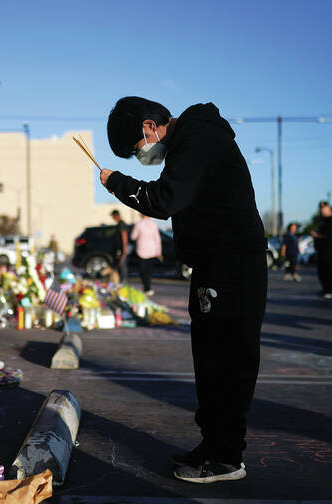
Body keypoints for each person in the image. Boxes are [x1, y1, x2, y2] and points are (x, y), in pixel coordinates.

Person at [102, 97, 266, 483]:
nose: (141, 156)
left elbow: (165, 199)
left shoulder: (198, 138)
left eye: (136, 148)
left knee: (225, 360)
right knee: (210, 358)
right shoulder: (193, 139)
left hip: (231, 264)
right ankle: (214, 445)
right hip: (217, 264)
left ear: (149, 127)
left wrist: (117, 183)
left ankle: (225, 457)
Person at [311, 201, 332, 298]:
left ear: (328, 208)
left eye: (324, 208)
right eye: (321, 209)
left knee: (329, 269)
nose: (322, 210)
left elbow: (329, 233)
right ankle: (326, 289)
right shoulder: (322, 220)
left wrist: (317, 235)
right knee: (321, 270)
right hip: (321, 249)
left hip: (328, 249)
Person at [130, 213, 161, 295]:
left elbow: (133, 236)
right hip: (152, 250)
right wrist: (159, 251)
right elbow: (157, 239)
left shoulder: (138, 223)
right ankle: (148, 287)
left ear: (141, 214)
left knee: (142, 271)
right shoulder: (153, 223)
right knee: (149, 271)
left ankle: (147, 288)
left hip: (142, 250)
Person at [110, 209, 129, 283]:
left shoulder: (121, 224)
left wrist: (124, 248)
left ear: (116, 215)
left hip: (121, 249)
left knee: (122, 265)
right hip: (119, 249)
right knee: (119, 265)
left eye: (113, 216)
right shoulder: (119, 224)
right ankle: (121, 281)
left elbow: (124, 236)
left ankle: (123, 281)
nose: (113, 218)